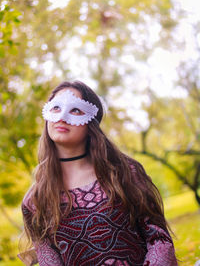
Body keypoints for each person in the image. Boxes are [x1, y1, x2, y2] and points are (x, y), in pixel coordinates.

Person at [19, 81, 178, 266]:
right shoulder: (35, 201)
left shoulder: (124, 173)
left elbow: (159, 240)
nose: (62, 117)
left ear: (91, 122)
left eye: (76, 110)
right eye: (55, 108)